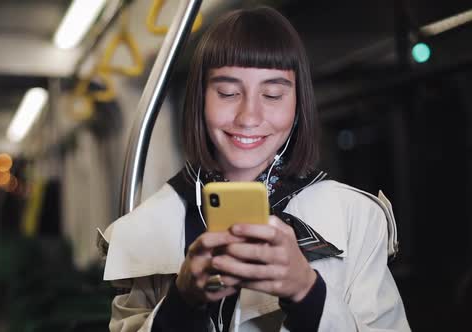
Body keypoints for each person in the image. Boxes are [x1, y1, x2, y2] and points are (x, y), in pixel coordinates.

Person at [101, 6, 410, 332]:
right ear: (199, 99)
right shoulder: (143, 229)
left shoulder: (357, 218)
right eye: (228, 93)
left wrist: (307, 292)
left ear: (298, 103)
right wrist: (182, 300)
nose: (249, 117)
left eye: (273, 94)